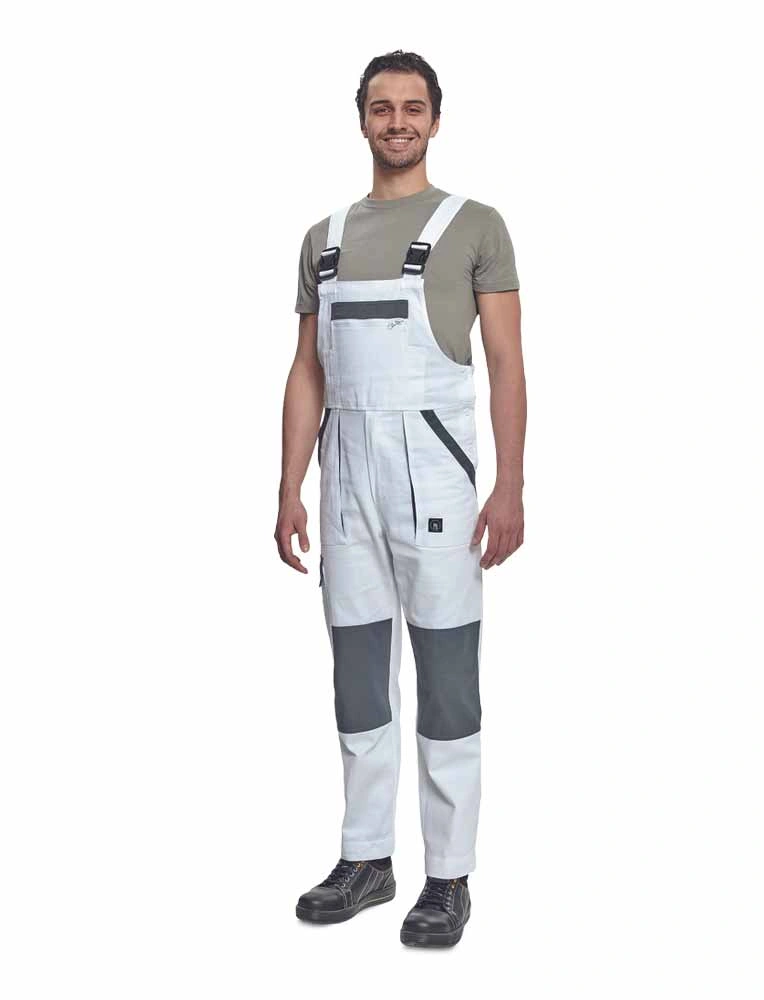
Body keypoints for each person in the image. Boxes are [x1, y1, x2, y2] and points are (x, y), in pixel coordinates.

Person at [276, 50, 526, 948]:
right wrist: (289, 486)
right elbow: (306, 370)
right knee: (357, 677)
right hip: (344, 474)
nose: (397, 122)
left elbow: (508, 364)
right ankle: (367, 858)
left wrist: (509, 485)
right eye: (382, 108)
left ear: (435, 120)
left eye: (413, 108)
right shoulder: (324, 236)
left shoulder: (476, 225)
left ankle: (448, 875)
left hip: (438, 476)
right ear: (362, 119)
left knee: (447, 678)